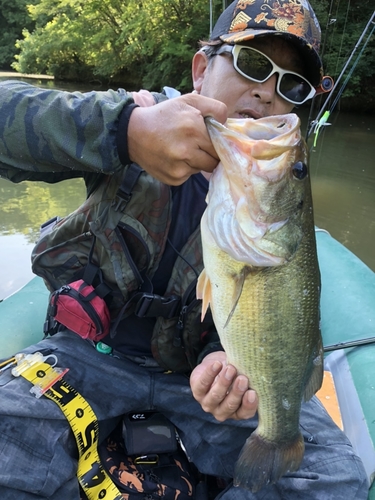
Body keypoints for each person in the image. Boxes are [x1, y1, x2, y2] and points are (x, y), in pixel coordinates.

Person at [0, 0, 369, 498]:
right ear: (201, 69)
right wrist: (124, 130)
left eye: (292, 86)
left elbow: (268, 317)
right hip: (86, 355)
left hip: (198, 384)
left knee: (333, 479)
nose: (266, 92)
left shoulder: (271, 194)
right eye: (252, 64)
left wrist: (226, 365)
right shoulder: (134, 116)